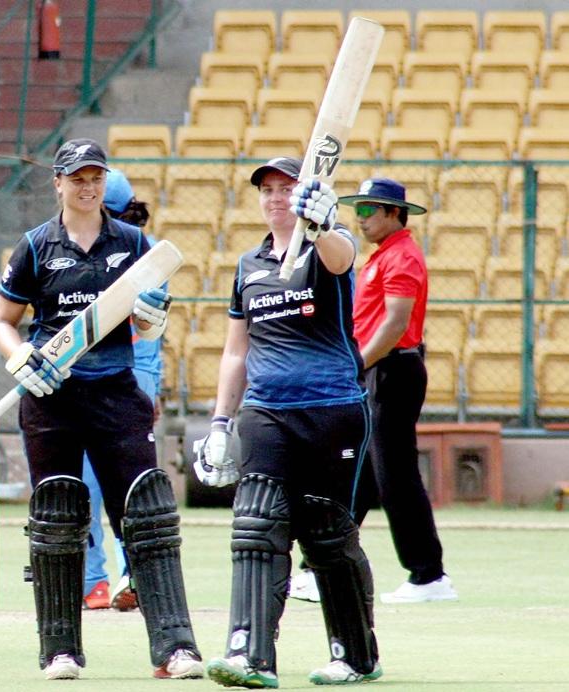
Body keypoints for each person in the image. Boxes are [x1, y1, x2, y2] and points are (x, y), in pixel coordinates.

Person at [0, 138, 203, 681]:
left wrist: (153, 316)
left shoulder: (133, 242)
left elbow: (146, 325)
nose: (88, 187)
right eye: (77, 178)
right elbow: (3, 321)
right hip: (51, 397)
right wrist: (22, 360)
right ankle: (59, 650)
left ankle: (175, 648)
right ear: (58, 183)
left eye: (96, 178)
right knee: (58, 518)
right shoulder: (35, 246)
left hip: (115, 390)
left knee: (147, 514)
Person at [193, 156, 382, 688]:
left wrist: (323, 222)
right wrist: (221, 421)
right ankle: (249, 654)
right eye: (267, 190)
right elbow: (236, 350)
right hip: (266, 410)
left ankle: (356, 654)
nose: (276, 197)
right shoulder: (248, 265)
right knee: (257, 525)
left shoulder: (330, 241)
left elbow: (343, 260)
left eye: (286, 188)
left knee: (326, 534)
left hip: (332, 410)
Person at [339, 177, 458, 604]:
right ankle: (323, 564)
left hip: (392, 370)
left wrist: (357, 365)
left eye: (370, 209)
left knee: (395, 476)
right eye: (359, 209)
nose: (361, 217)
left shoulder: (401, 257)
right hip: (381, 369)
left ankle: (428, 575)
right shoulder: (383, 255)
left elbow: (394, 324)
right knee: (366, 475)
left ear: (394, 213)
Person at [81, 168, 159, 612]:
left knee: (100, 484)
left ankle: (101, 579)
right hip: (136, 377)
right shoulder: (145, 250)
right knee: (128, 483)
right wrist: (155, 389)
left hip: (113, 376)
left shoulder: (129, 250)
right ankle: (130, 575)